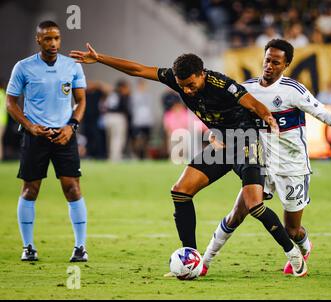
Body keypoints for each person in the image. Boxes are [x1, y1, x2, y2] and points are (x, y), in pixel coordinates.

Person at [70, 44, 310, 276]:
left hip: (246, 142)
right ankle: (191, 257)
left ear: (202, 75)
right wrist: (100, 58)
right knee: (180, 191)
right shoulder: (177, 78)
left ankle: (293, 254)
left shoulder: (222, 85)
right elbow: (139, 69)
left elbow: (254, 105)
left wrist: (269, 118)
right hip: (222, 144)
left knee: (254, 206)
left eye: (191, 84)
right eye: (182, 86)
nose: (186, 90)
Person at [201, 39, 331, 276]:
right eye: (267, 60)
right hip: (259, 164)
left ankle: (304, 247)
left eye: (276, 62)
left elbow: (327, 118)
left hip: (292, 168)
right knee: (237, 214)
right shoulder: (246, 89)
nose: (269, 65)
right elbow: (225, 118)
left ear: (286, 65)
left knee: (292, 230)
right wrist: (214, 132)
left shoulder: (294, 91)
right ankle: (205, 261)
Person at [5, 21, 88, 262]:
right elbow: (10, 102)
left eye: (56, 38)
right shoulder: (23, 67)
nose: (53, 43)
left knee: (72, 188)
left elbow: (81, 101)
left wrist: (71, 126)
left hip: (64, 136)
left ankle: (80, 247)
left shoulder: (71, 66)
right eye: (47, 38)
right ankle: (28, 247)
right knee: (30, 189)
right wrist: (30, 126)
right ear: (38, 40)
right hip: (35, 136)